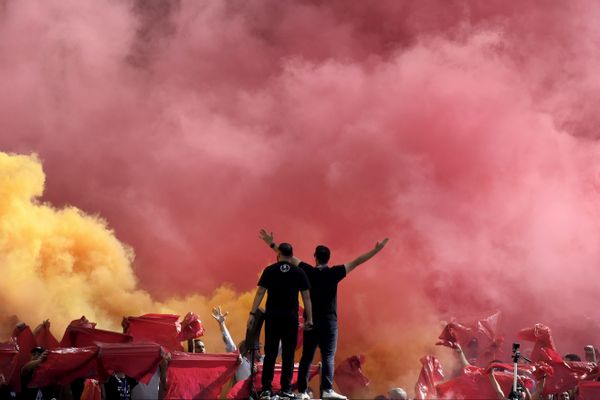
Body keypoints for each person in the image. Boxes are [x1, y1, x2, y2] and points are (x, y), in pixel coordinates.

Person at [260, 229, 388, 400]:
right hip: (329, 322)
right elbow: (357, 262)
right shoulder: (335, 272)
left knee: (307, 356)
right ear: (328, 258)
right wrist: (376, 250)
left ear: (315, 257)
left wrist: (271, 243)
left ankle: (303, 391)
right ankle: (327, 389)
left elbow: (287, 257)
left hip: (311, 321)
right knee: (328, 355)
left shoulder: (307, 271)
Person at [247, 242, 313, 400]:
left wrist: (252, 313)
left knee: (270, 353)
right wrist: (309, 318)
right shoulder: (299, 272)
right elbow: (306, 297)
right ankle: (286, 389)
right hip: (290, 319)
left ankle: (266, 390)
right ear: (291, 256)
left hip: (273, 317)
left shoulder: (270, 270)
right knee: (288, 355)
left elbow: (260, 292)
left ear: (278, 255)